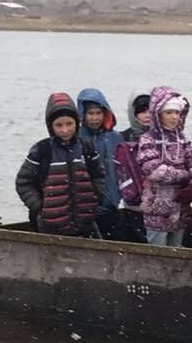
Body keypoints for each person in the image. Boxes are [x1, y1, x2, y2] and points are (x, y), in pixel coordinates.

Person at [15, 92, 106, 237]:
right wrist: (39, 207)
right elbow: (23, 182)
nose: (65, 130)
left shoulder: (86, 147)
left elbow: (99, 175)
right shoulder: (42, 150)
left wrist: (95, 199)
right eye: (59, 125)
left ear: (77, 122)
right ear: (50, 126)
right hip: (51, 226)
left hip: (86, 223)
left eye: (69, 124)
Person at [136, 86, 192, 247]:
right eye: (169, 112)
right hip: (156, 208)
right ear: (158, 114)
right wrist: (186, 176)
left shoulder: (182, 139)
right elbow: (154, 171)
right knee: (157, 253)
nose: (174, 117)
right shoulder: (148, 139)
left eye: (176, 112)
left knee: (176, 252)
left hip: (179, 208)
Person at [77, 88, 123, 240]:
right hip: (86, 206)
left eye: (98, 113)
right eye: (90, 113)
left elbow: (122, 169)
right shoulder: (77, 138)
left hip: (112, 203)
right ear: (82, 114)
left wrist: (119, 194)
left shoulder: (115, 137)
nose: (95, 118)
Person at [116, 90, 151, 243]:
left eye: (150, 110)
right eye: (142, 111)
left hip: (158, 206)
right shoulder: (122, 138)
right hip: (132, 205)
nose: (147, 115)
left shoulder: (163, 137)